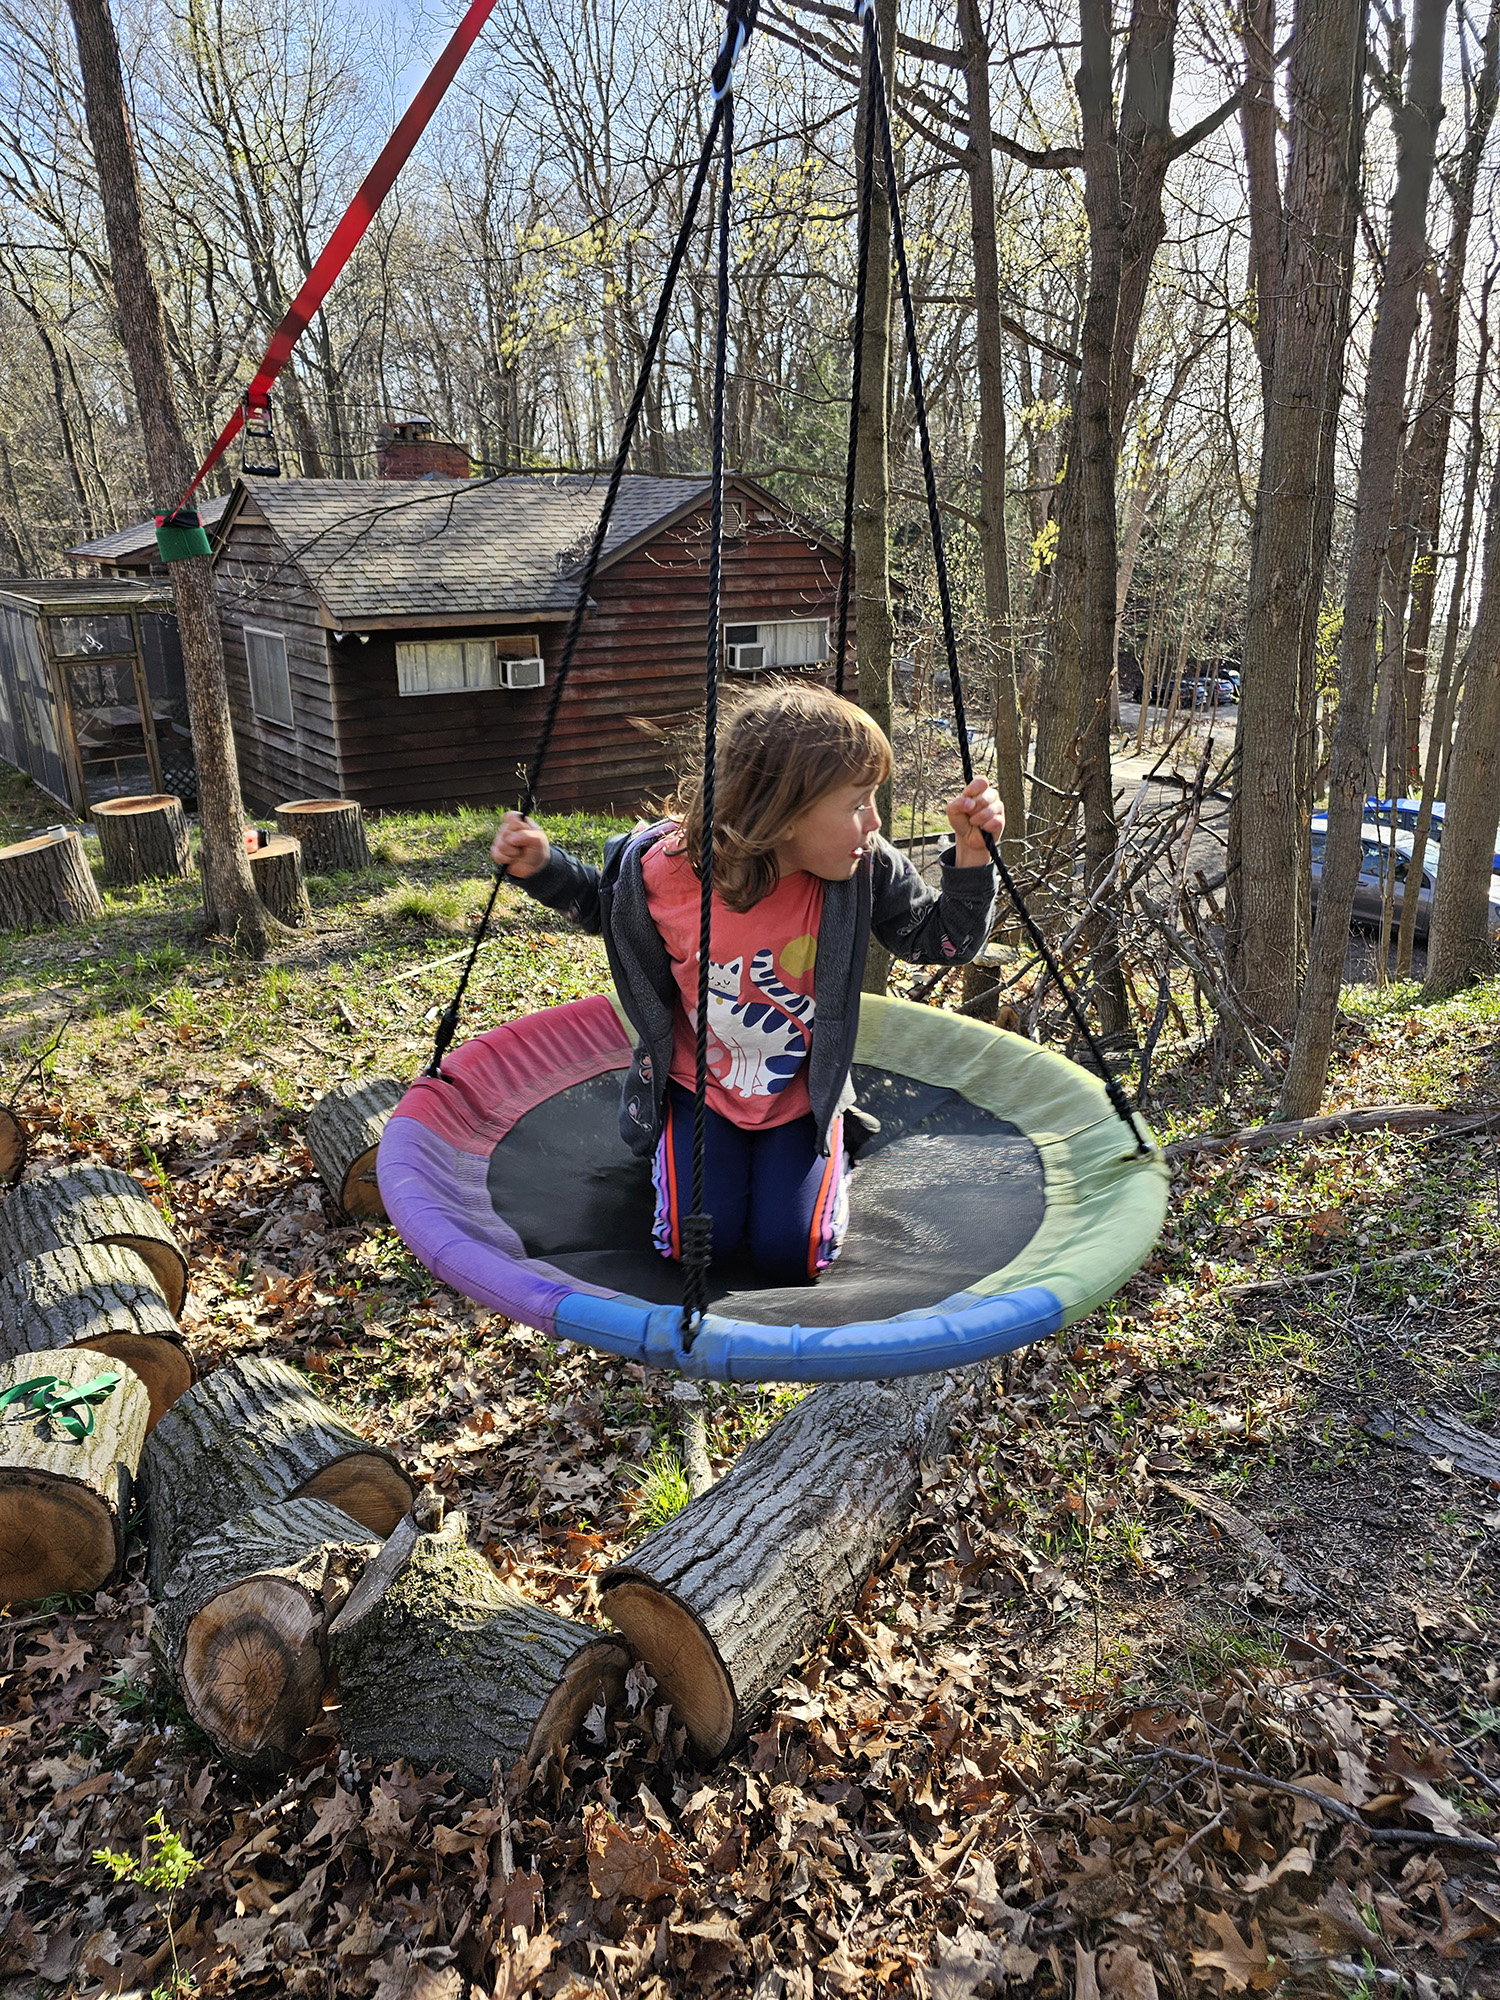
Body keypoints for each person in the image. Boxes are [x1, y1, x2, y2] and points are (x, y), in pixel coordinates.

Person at [491, 682, 1002, 1285]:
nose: (875, 820)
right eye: (857, 804)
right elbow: (607, 906)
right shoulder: (665, 870)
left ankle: (835, 1146)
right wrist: (542, 868)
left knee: (793, 1251)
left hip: (800, 1097)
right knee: (693, 1245)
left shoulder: (861, 870)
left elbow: (940, 942)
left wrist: (973, 857)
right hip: (696, 1091)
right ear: (782, 815)